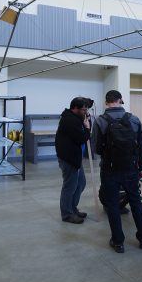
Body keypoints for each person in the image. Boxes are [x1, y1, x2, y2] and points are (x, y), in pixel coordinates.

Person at [92, 89, 142, 253]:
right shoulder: (134, 119)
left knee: (112, 205)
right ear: (120, 100)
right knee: (135, 202)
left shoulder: (100, 121)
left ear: (106, 102)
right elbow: (141, 146)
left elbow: (96, 148)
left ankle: (118, 242)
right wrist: (140, 167)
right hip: (131, 168)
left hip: (109, 169)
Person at [55, 96, 91, 224]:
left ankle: (72, 208)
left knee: (81, 183)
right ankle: (67, 214)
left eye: (86, 109)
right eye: (83, 110)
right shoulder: (69, 120)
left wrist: (86, 121)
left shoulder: (76, 117)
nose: (85, 112)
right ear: (74, 108)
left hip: (75, 157)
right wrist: (87, 128)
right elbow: (82, 138)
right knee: (70, 186)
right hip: (68, 158)